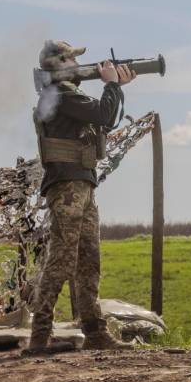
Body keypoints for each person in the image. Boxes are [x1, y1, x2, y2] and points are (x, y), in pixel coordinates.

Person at [23, 40, 136, 355]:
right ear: (58, 63)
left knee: (89, 260)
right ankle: (39, 336)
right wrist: (112, 85)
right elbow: (104, 115)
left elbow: (105, 115)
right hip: (68, 187)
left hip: (82, 184)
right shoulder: (59, 95)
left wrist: (116, 87)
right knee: (62, 260)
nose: (76, 63)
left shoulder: (63, 94)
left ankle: (94, 332)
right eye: (71, 58)